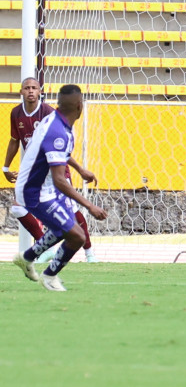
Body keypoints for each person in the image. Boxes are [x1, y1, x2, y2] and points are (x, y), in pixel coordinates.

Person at [12, 84, 107, 291]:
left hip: (42, 186)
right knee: (77, 236)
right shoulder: (58, 132)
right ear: (80, 106)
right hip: (34, 191)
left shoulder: (56, 122)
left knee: (64, 228)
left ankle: (26, 258)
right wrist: (90, 206)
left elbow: (57, 151)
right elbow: (60, 181)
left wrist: (80, 169)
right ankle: (49, 276)